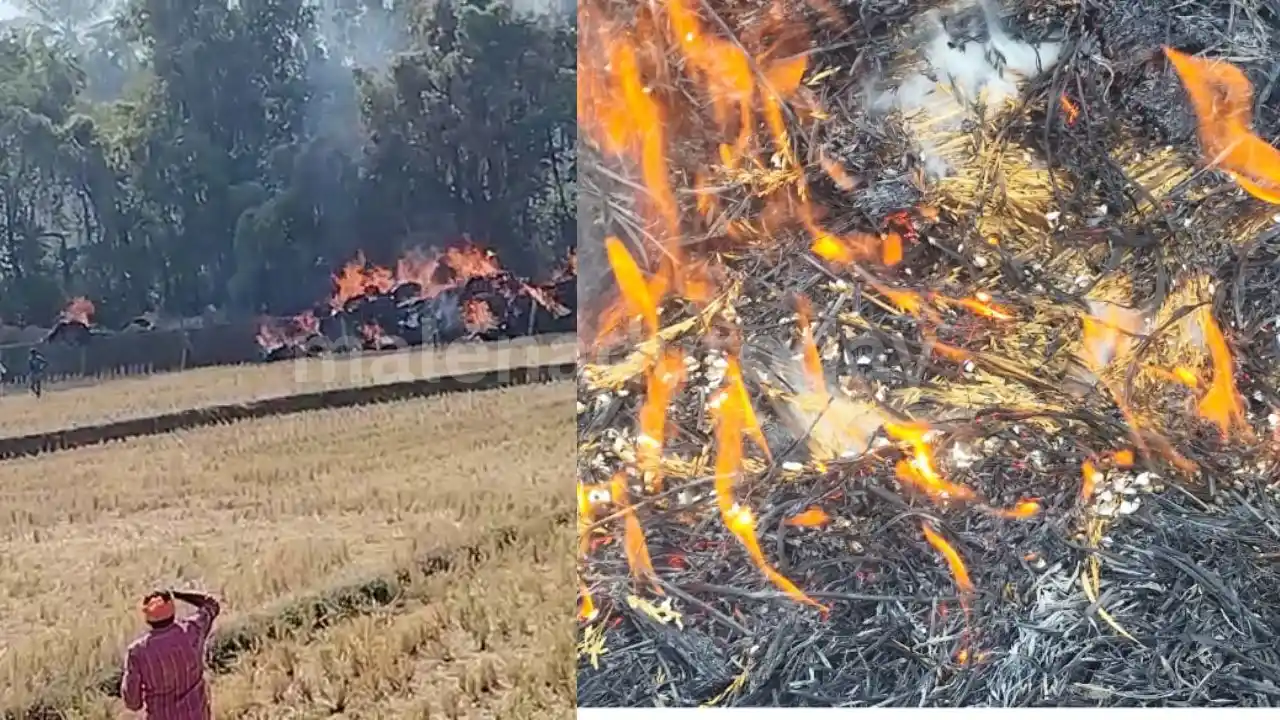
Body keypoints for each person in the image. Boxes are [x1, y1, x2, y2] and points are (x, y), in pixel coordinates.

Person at [120, 589, 221, 719]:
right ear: (172, 611)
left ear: (147, 618)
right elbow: (211, 605)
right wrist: (178, 594)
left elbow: (133, 703)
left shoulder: (137, 652)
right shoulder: (192, 630)